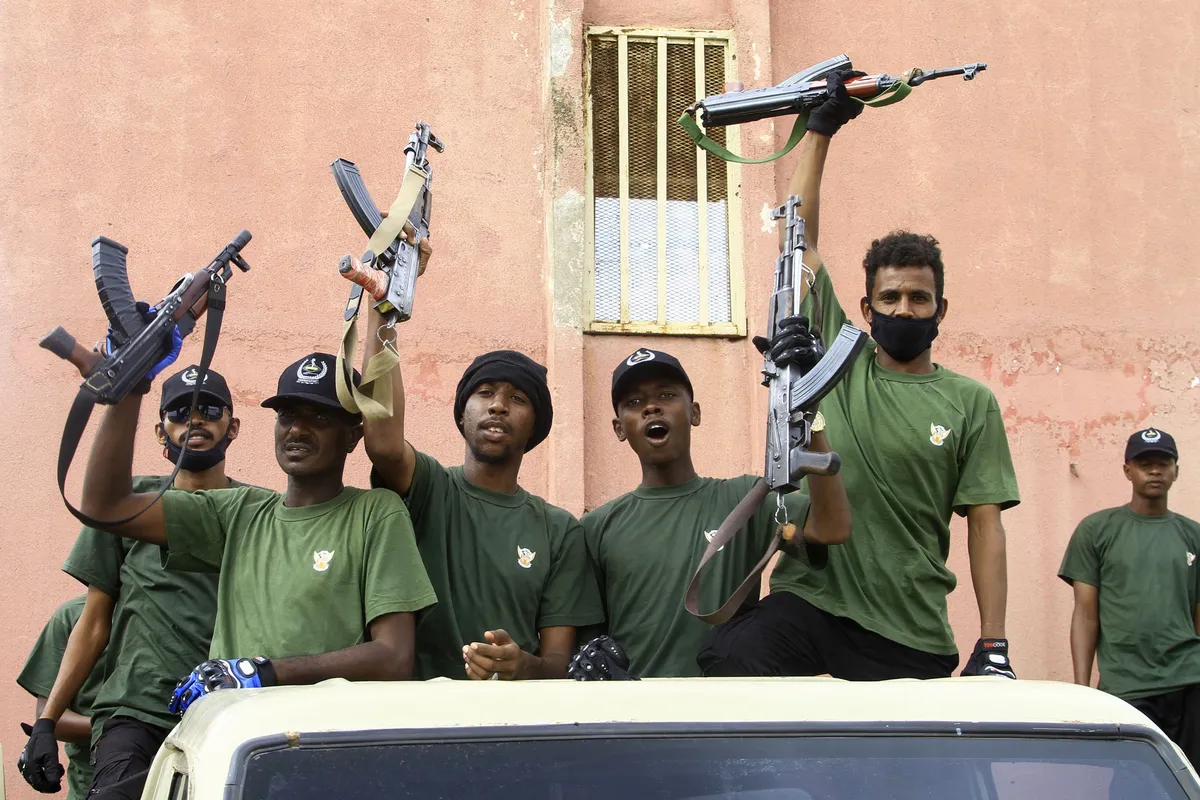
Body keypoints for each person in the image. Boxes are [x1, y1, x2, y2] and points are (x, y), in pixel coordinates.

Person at [698, 71, 1020, 680]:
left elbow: (985, 527)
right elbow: (801, 243)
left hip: (909, 624)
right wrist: (821, 127)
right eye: (890, 298)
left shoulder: (969, 403)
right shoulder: (837, 360)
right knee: (734, 657)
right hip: (814, 602)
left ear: (940, 310)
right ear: (866, 310)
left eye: (918, 299)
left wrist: (994, 646)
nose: (904, 309)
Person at [73, 346, 436, 718]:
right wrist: (130, 388)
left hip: (326, 742)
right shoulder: (238, 512)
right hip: (234, 740)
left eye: (319, 416)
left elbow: (393, 658)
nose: (297, 428)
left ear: (353, 436)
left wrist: (265, 672)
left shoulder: (374, 512)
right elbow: (105, 507)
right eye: (287, 415)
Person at [17, 365, 242, 800]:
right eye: (179, 412)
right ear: (161, 432)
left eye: (208, 409)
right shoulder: (131, 504)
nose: (194, 420)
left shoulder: (257, 511)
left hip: (223, 709)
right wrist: (47, 722)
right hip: (134, 710)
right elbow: (93, 619)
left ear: (232, 425)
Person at [361, 289, 603, 680]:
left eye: (518, 398)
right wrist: (383, 310)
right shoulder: (430, 486)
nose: (498, 405)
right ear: (462, 415)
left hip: (509, 727)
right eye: (485, 392)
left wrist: (523, 665)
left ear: (535, 430)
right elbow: (384, 444)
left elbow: (560, 664)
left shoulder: (558, 530)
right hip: (415, 717)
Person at [571, 348, 851, 679]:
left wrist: (809, 413)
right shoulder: (595, 528)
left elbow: (832, 528)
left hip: (728, 714)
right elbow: (585, 642)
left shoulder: (746, 498)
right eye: (634, 402)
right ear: (619, 428)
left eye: (667, 394)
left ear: (695, 413)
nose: (651, 407)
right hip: (635, 719)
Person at [1059, 428, 1200, 767]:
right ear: (1127, 471)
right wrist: (1083, 689)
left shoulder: (1193, 535)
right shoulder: (1097, 530)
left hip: (1189, 684)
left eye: (1163, 463)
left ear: (1176, 470)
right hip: (1126, 687)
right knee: (1132, 781)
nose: (1155, 471)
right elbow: (1085, 615)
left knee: (1192, 782)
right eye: (1145, 464)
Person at [16, 596, 107, 799]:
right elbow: (50, 718)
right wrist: (121, 727)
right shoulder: (72, 616)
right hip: (91, 782)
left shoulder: (165, 613)